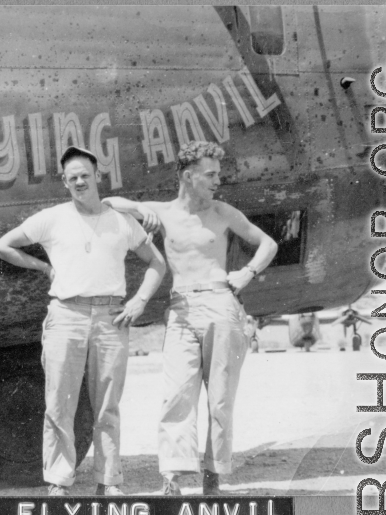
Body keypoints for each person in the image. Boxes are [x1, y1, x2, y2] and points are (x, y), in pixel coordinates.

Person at [103, 140, 278, 495]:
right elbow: (108, 204)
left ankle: (213, 474)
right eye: (210, 174)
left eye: (218, 174)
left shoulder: (223, 212)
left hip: (221, 304)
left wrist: (247, 272)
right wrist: (141, 209)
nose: (217, 181)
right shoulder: (164, 212)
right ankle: (174, 474)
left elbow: (268, 244)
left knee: (220, 398)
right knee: (177, 394)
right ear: (187, 175)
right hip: (181, 307)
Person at [0, 146, 166, 496]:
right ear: (65, 183)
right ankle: (58, 480)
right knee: (59, 403)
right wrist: (43, 266)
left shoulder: (122, 221)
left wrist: (139, 301)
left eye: (85, 174)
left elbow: (157, 264)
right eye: (72, 178)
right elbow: (3, 246)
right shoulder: (51, 218)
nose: (79, 181)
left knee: (107, 406)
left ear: (97, 176)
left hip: (111, 318)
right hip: (66, 316)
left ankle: (109, 481)